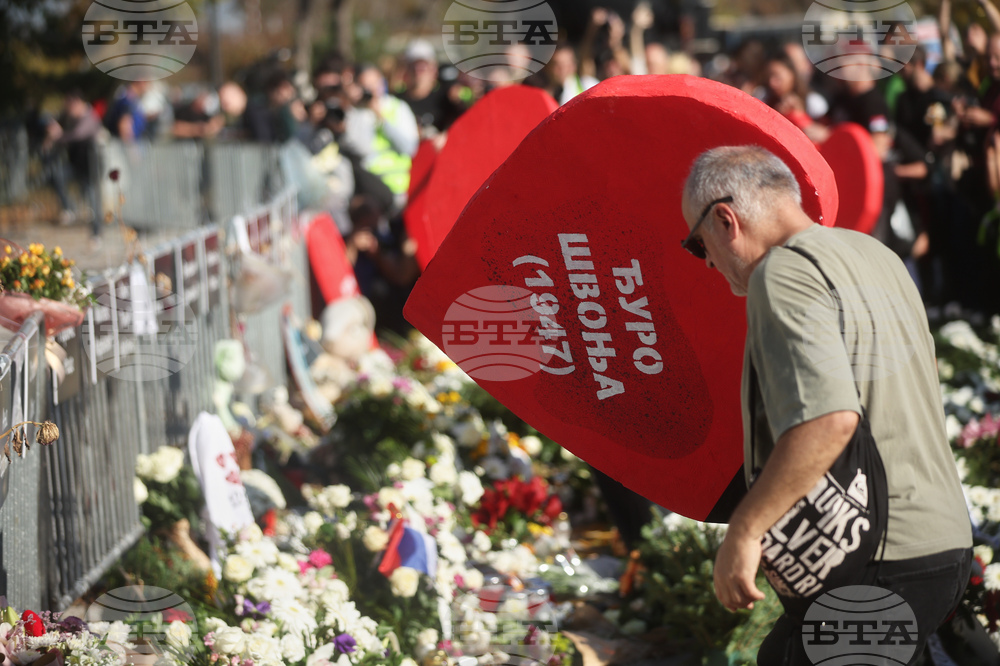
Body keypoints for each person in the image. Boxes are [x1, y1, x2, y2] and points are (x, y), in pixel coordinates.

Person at [681, 146, 972, 664]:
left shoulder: (783, 273)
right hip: (940, 543)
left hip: (879, 558)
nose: (706, 263)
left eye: (697, 244)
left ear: (725, 220)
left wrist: (746, 532)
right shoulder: (874, 254)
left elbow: (829, 420)